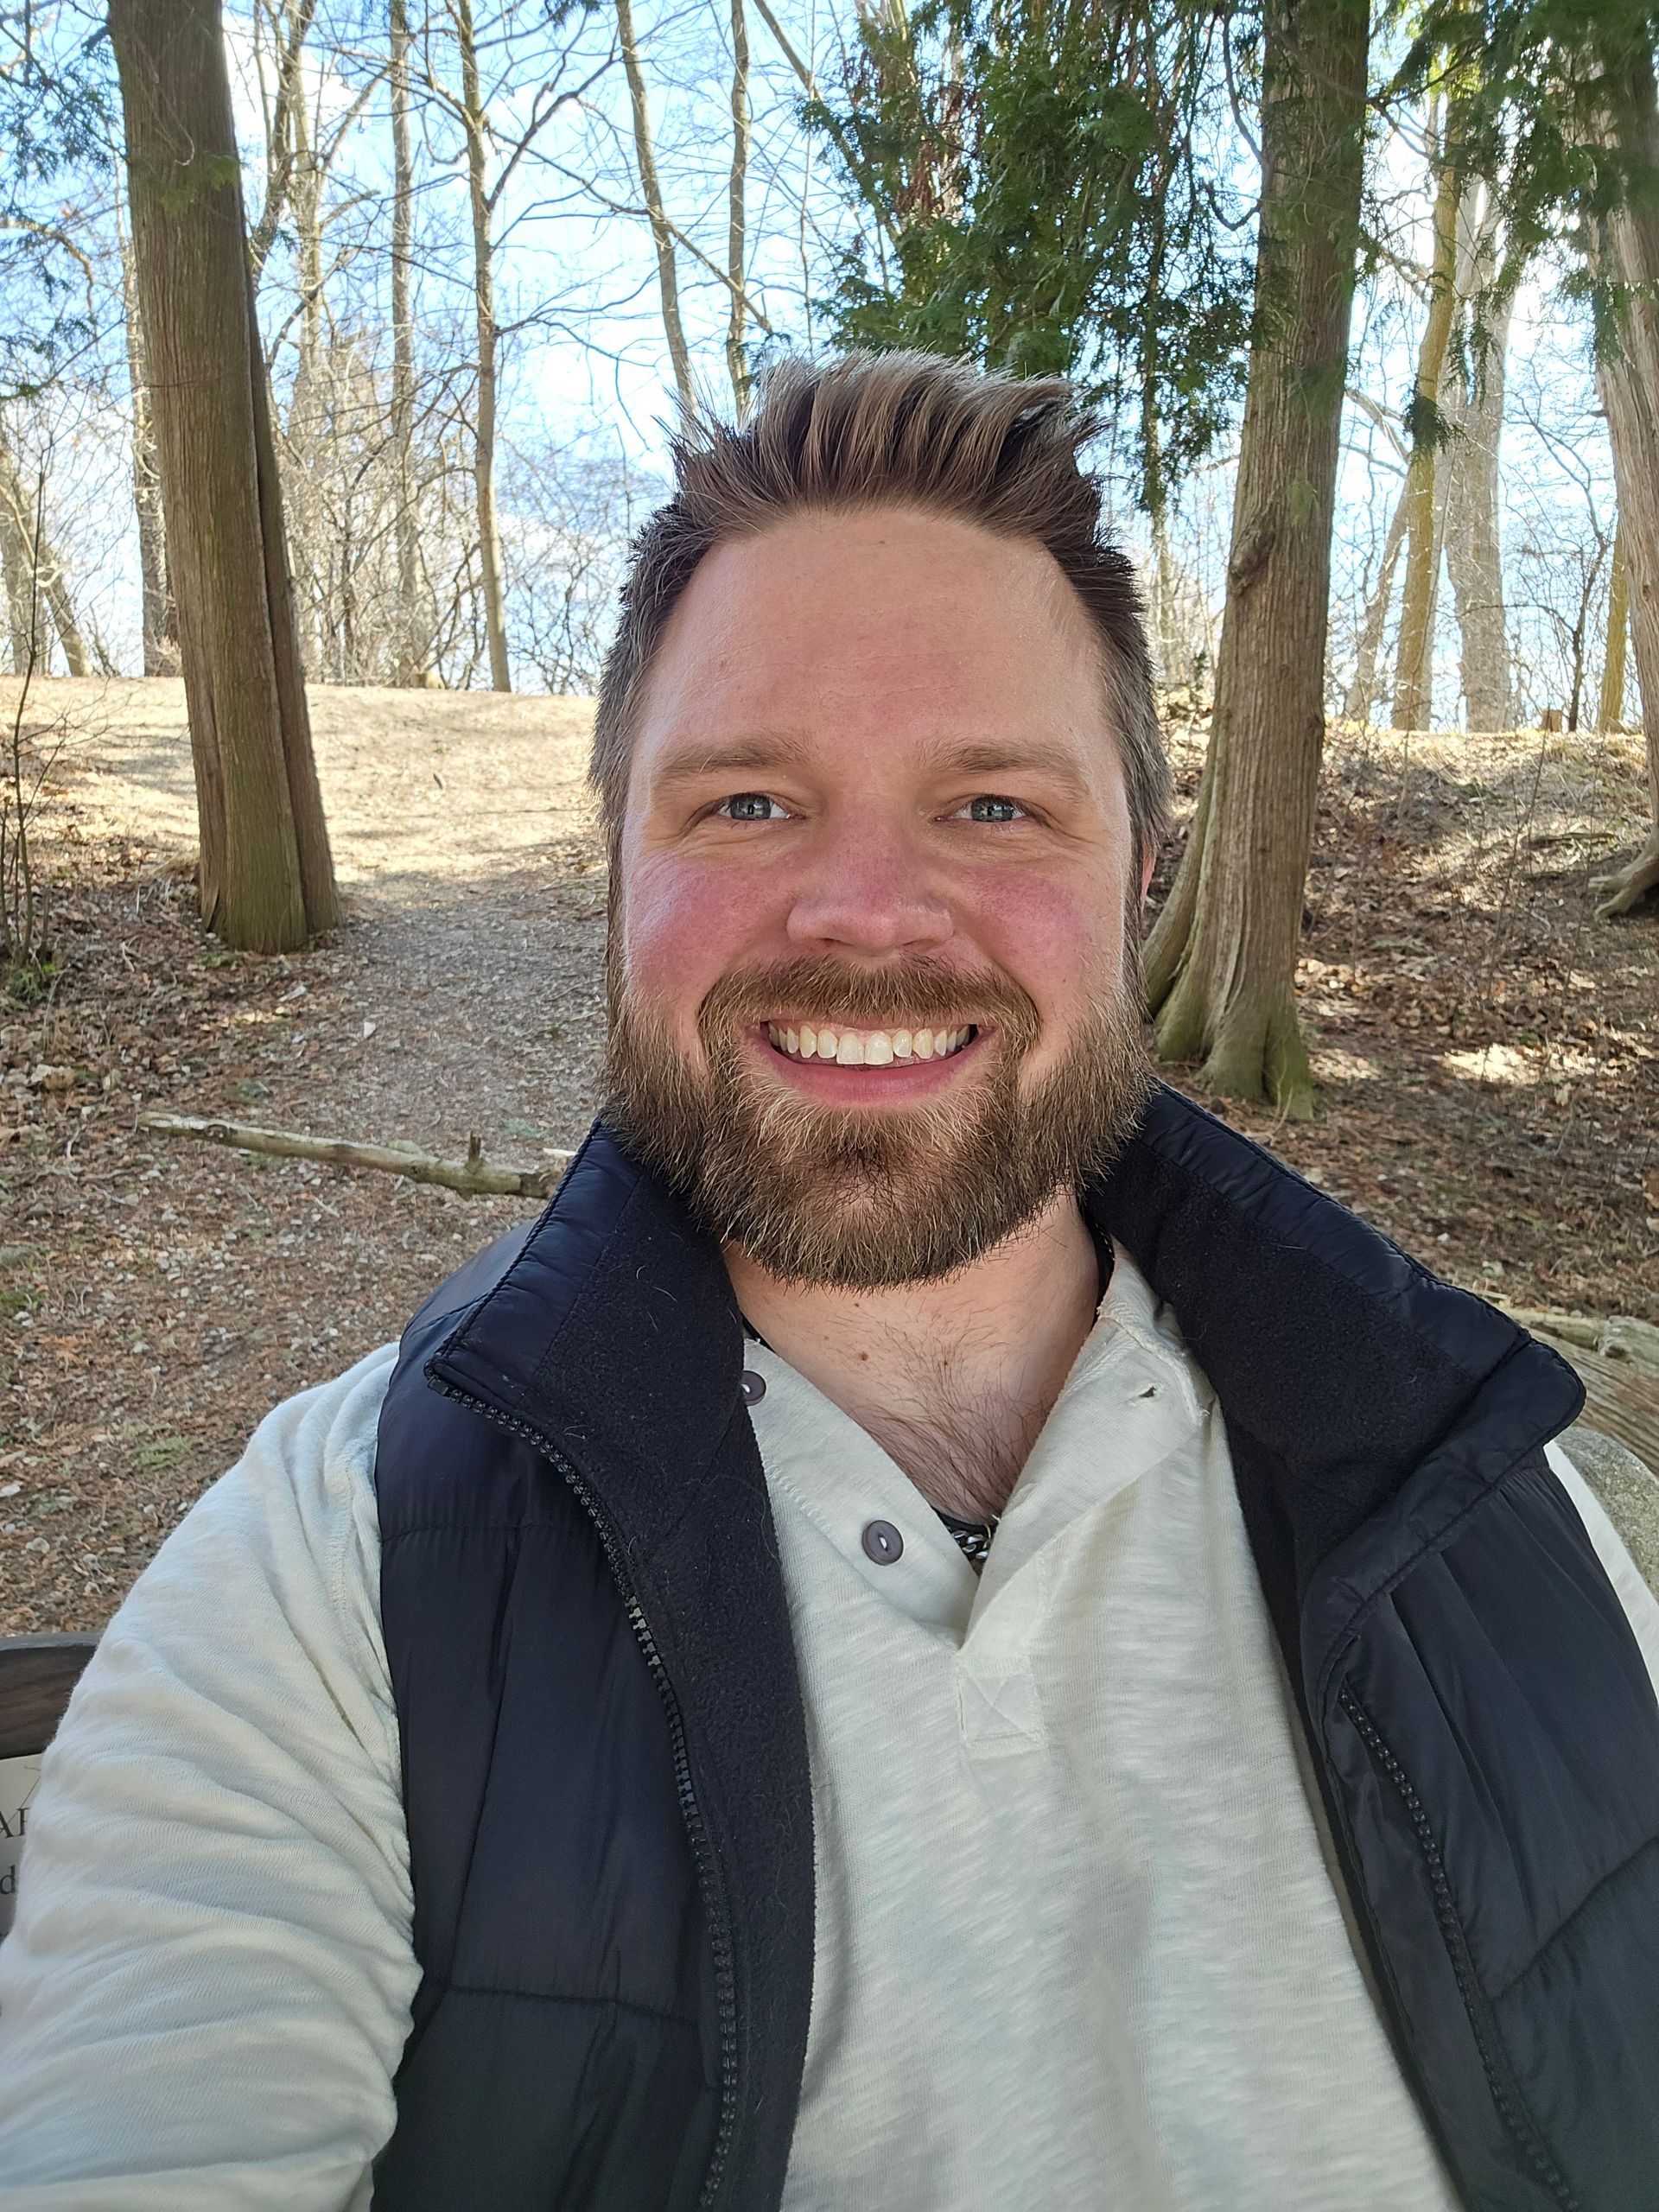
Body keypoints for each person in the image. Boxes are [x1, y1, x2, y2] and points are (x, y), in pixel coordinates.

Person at [1, 351, 1656, 2212]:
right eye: (751, 805)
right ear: (612, 870)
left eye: (995, 809)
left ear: (1142, 889)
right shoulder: (330, 1584)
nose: (867, 915)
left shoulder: (1504, 1510)